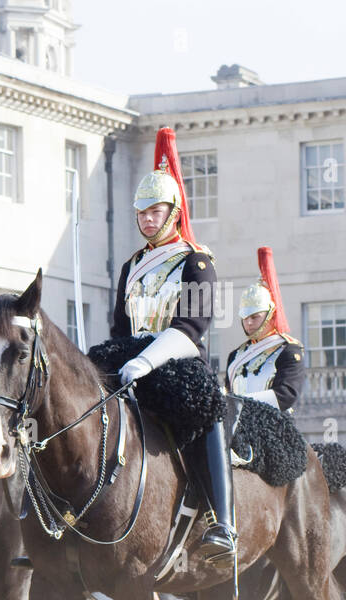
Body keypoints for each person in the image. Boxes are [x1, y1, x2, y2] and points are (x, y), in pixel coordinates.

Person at [111, 126, 234, 568]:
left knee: (206, 409)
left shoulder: (196, 261)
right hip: (132, 361)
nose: (146, 218)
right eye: (141, 211)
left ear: (173, 210)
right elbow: (119, 326)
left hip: (178, 361)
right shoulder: (131, 266)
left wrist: (146, 360)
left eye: (154, 210)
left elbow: (191, 326)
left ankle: (223, 520)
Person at [226, 247, 305, 414]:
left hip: (274, 425)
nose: (248, 322)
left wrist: (240, 404)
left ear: (270, 314)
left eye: (255, 317)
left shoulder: (288, 351)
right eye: (245, 316)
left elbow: (286, 395)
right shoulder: (235, 356)